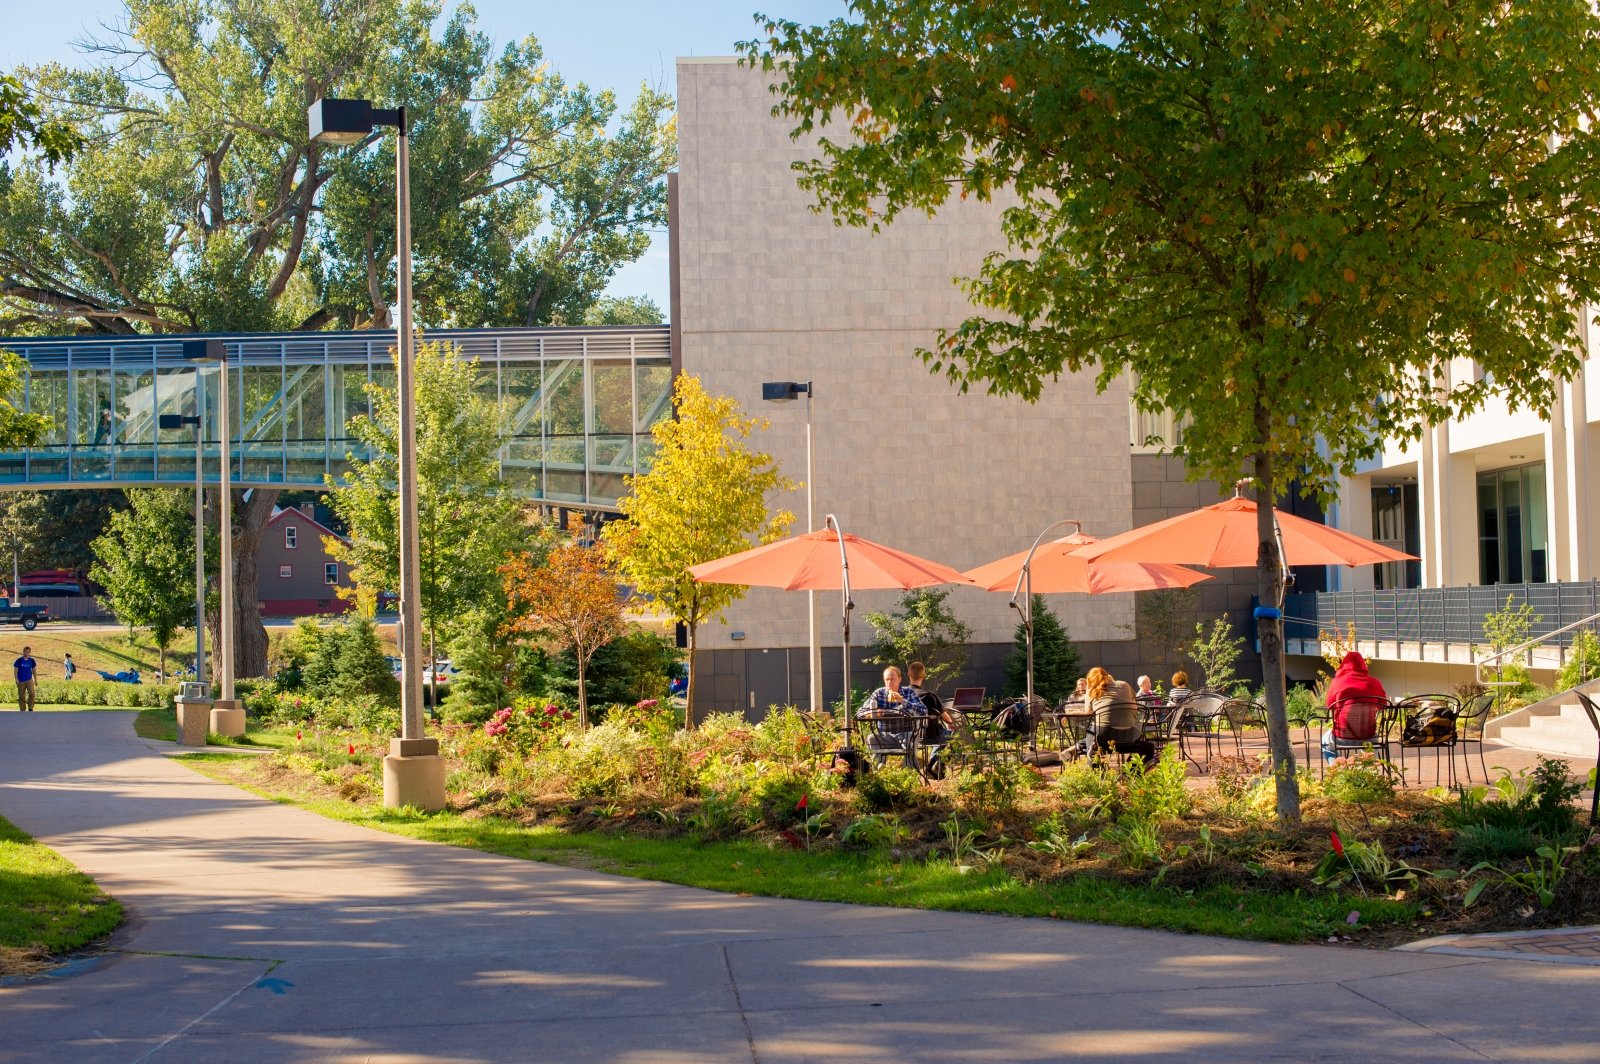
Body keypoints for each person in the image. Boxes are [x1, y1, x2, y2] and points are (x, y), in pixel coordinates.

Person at [1323, 651, 1388, 761]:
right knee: (1372, 744)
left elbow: (1330, 704)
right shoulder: (1375, 683)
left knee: (1325, 741)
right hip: (1368, 736)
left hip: (1341, 736)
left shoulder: (1337, 682)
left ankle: (1335, 766)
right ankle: (1369, 767)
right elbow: (1383, 705)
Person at [1080, 666, 1141, 757]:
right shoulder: (1124, 685)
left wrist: (1089, 688)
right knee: (1093, 735)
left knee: (1091, 734)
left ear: (1090, 681)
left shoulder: (1093, 690)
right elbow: (1135, 708)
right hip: (1130, 735)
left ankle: (1081, 748)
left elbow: (1088, 712)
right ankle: (1129, 770)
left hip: (1104, 736)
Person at [906, 660, 951, 743]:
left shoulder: (902, 696)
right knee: (959, 735)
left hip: (909, 736)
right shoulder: (929, 696)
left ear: (908, 674)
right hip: (932, 736)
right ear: (924, 675)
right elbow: (948, 720)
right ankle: (935, 756)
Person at [14, 646, 37, 712]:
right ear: (23, 652)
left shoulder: (32, 660)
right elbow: (15, 670)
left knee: (32, 694)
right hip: (21, 681)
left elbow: (34, 670)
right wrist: (16, 679)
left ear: (29, 653)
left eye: (28, 652)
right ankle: (22, 709)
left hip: (29, 680)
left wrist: (35, 680)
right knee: (21, 696)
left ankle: (30, 707)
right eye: (25, 652)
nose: (26, 653)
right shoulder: (19, 660)